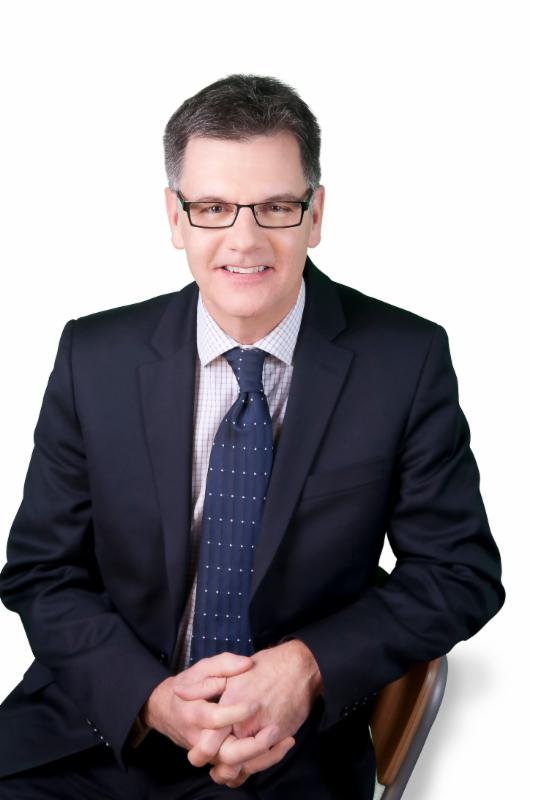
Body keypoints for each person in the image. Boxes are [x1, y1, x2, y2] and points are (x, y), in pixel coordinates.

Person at [0, 73, 505, 799]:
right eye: (212, 208)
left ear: (315, 214)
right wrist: (150, 699)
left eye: (275, 207)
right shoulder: (94, 357)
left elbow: (457, 572)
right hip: (97, 728)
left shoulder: (405, 361)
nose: (244, 240)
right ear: (175, 219)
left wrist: (307, 666)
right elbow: (42, 572)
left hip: (286, 751)